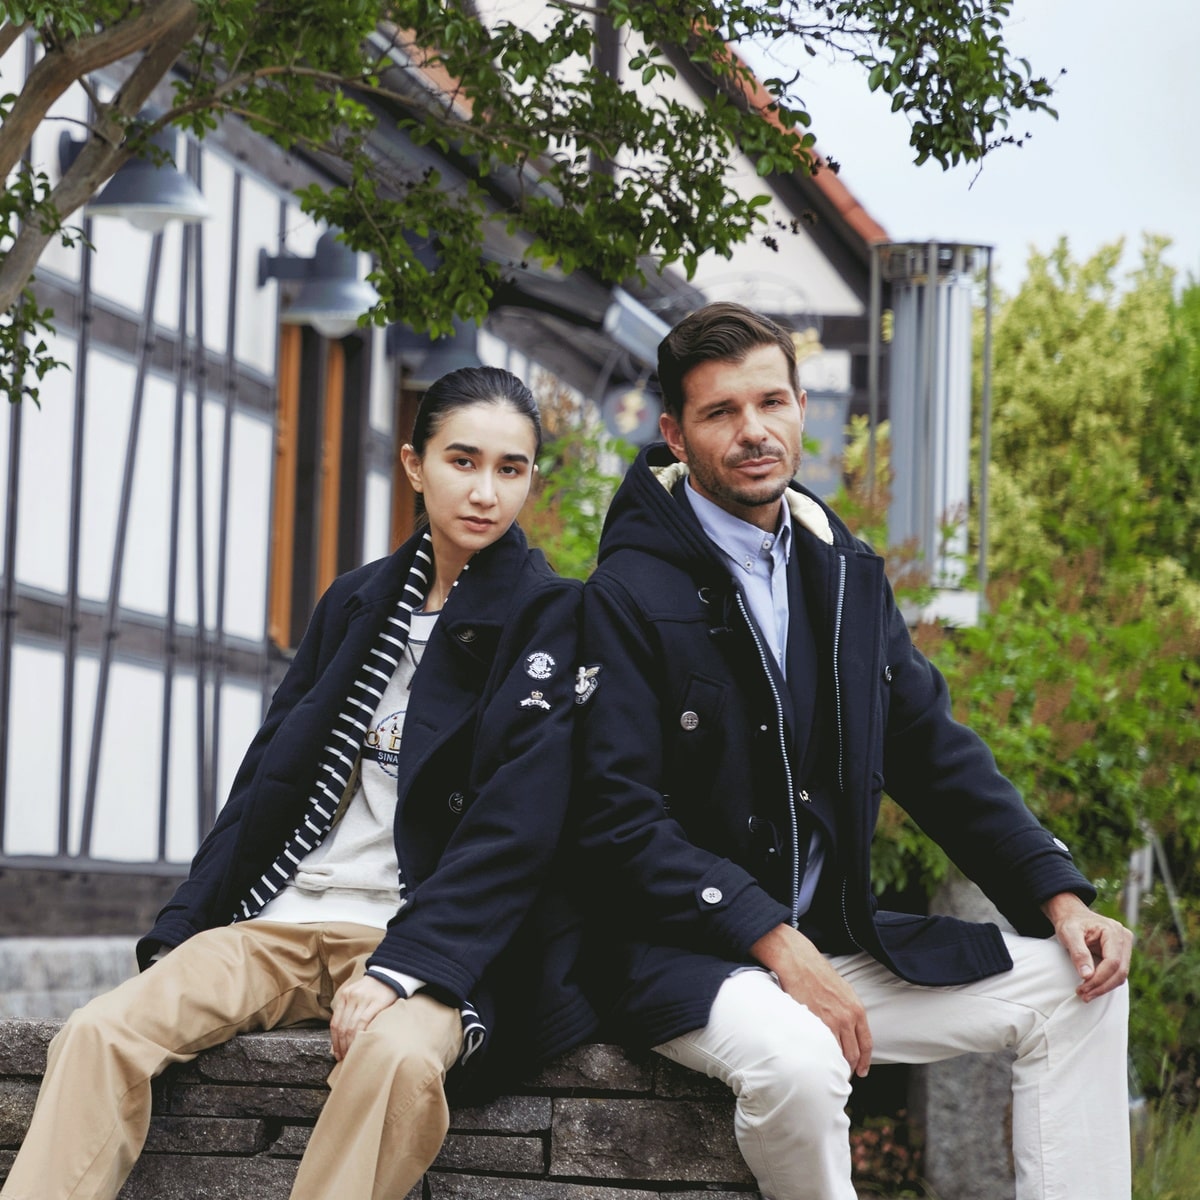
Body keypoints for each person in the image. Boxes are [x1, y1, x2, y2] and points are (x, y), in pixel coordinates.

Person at [573, 302, 1134, 1200]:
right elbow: (617, 822)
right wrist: (776, 944)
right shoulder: (624, 593)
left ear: (803, 408)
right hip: (683, 962)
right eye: (720, 412)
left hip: (829, 946)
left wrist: (1059, 898)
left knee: (1081, 986)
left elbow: (931, 751)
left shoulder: (842, 572)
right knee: (802, 1065)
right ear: (674, 435)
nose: (754, 431)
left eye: (771, 402)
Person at [2, 366, 594, 1200]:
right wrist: (183, 930)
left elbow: (519, 827)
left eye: (511, 468)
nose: (485, 492)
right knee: (101, 1030)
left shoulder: (553, 615)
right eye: (462, 461)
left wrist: (400, 970)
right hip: (283, 918)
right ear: (415, 464)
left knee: (395, 1061)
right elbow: (266, 779)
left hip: (424, 940)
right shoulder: (356, 602)